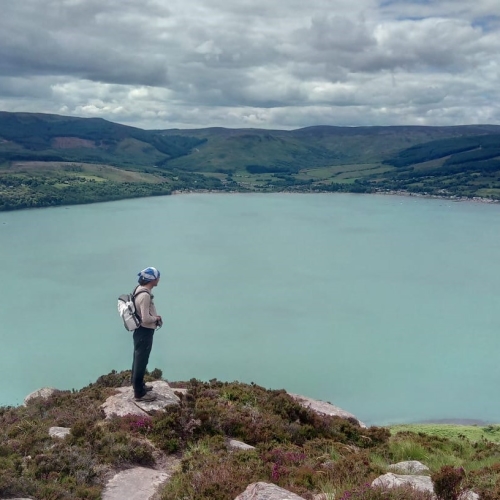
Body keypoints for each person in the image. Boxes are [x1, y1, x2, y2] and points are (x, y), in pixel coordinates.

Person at [131, 267, 163, 402]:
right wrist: (156, 318)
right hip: (144, 331)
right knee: (141, 360)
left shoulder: (139, 289)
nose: (159, 279)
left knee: (138, 358)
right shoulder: (145, 295)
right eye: (158, 277)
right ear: (153, 279)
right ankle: (139, 393)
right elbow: (145, 318)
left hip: (140, 331)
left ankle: (138, 385)